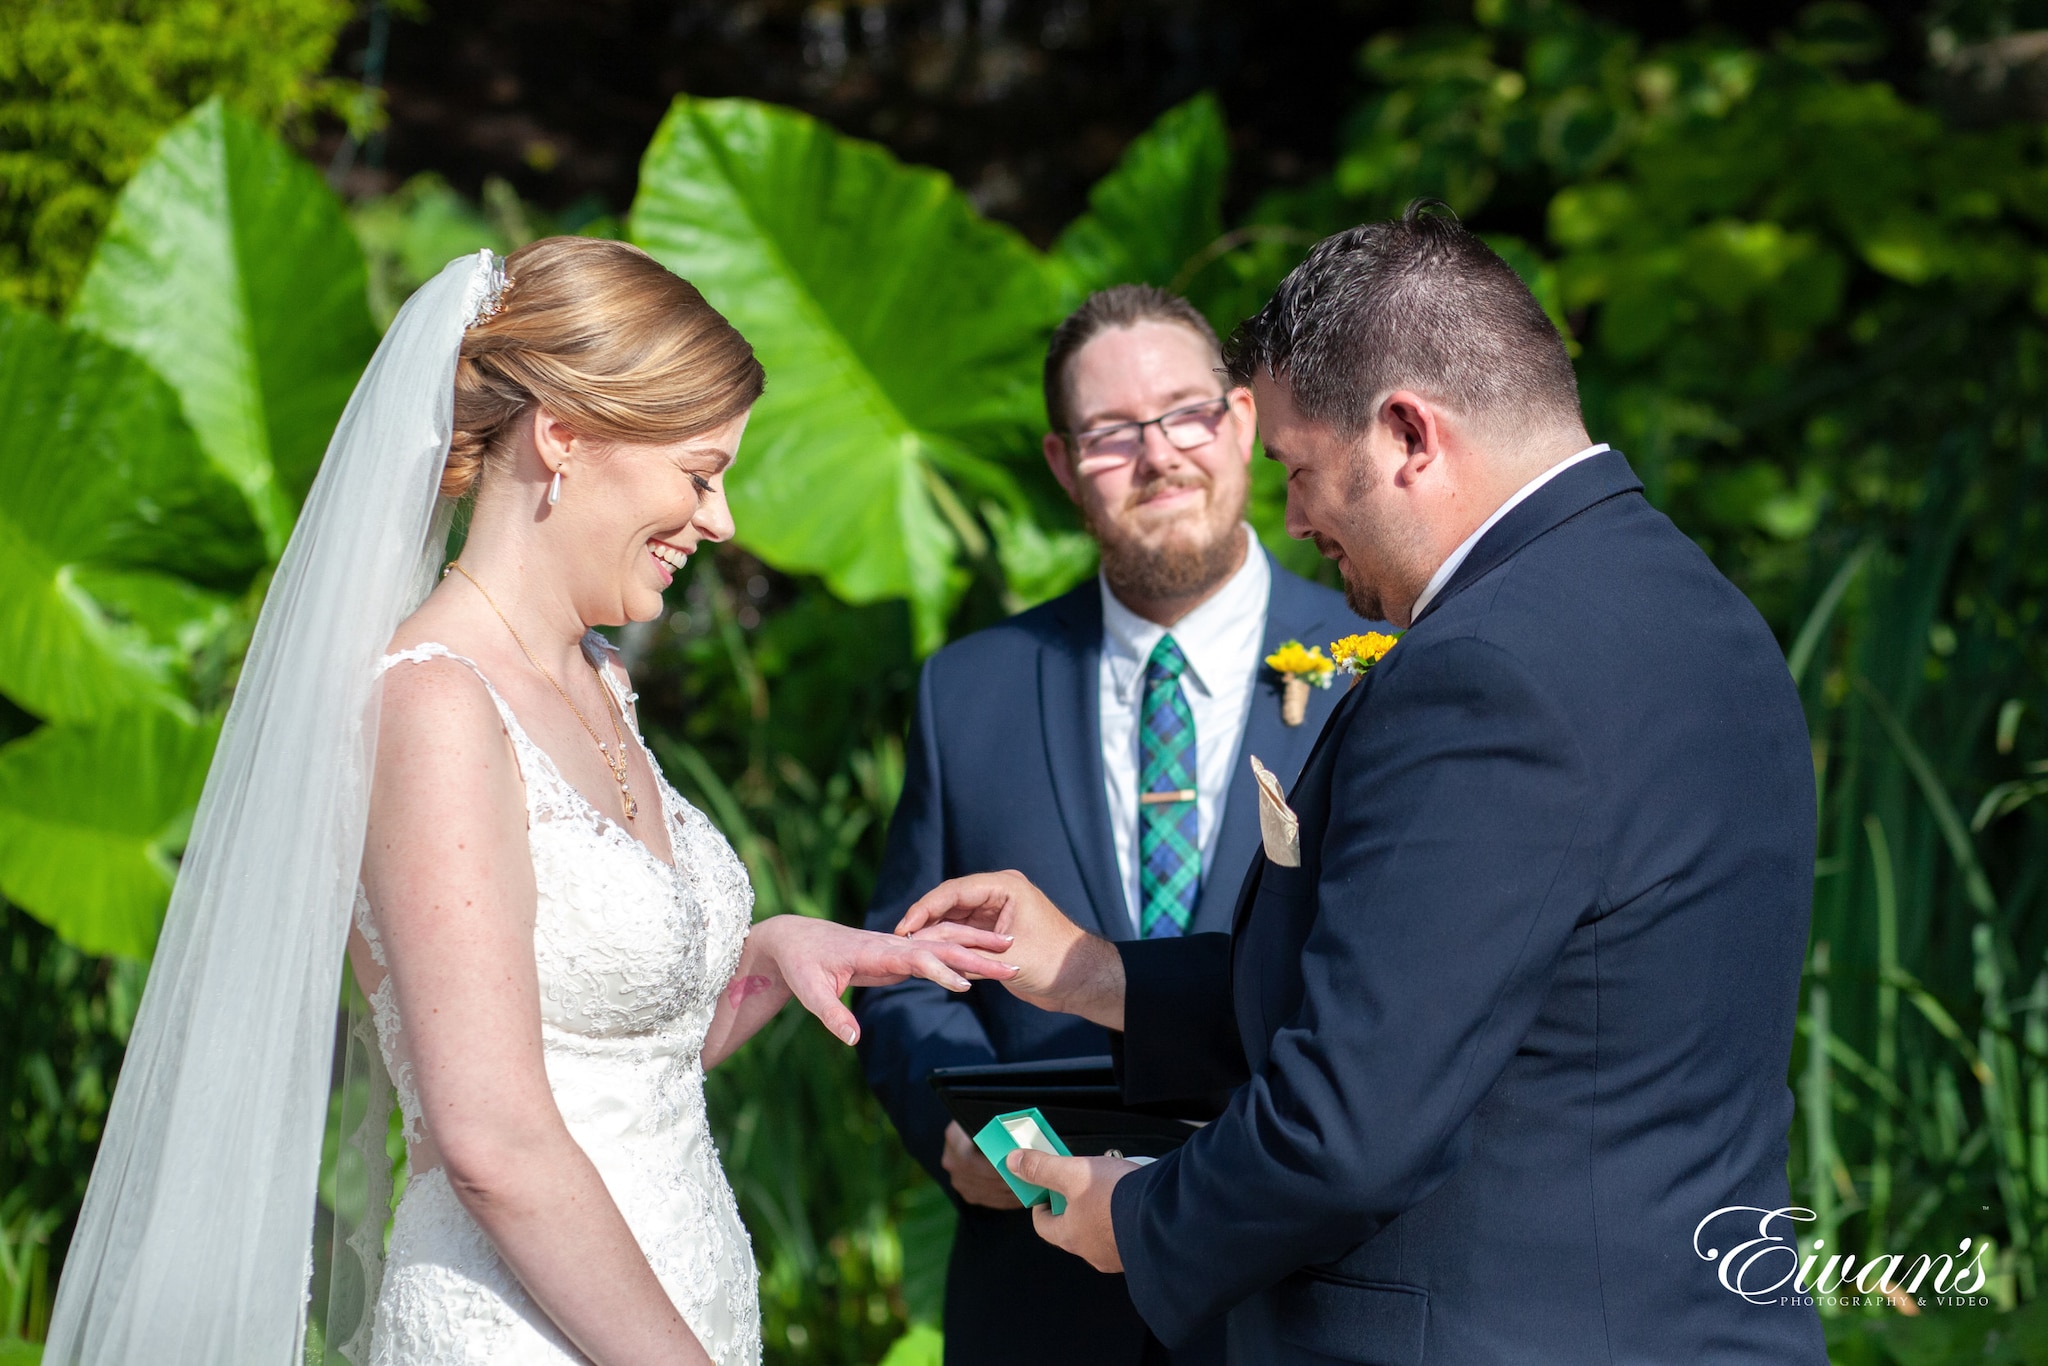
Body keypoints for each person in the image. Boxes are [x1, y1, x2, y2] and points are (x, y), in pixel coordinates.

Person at [42, 240, 1013, 1366]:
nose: (723, 521)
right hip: (517, 1330)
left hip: (665, 1303)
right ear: (563, 436)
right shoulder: (437, 705)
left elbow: (614, 1064)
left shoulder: (598, 675)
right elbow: (491, 1134)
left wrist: (770, 955)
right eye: (699, 474)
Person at [898, 208, 1827, 1364]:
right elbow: (1446, 982)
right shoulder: (1704, 612)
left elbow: (1350, 1122)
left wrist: (1136, 1218)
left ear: (1405, 434)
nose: (1290, 517)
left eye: (1296, 468)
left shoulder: (1482, 672)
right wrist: (1096, 973)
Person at [856, 284, 1372, 1366]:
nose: (1158, 456)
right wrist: (954, 1133)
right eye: (1110, 434)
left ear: (1240, 423)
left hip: (1302, 1292)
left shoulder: (1376, 665)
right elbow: (905, 958)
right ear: (1059, 462)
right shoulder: (970, 689)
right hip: (1040, 1299)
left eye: (1186, 414)